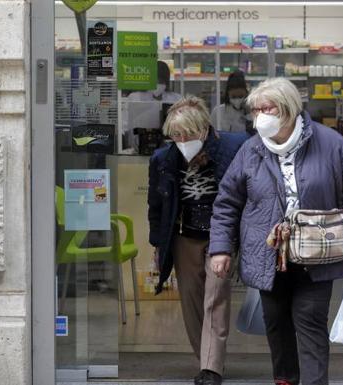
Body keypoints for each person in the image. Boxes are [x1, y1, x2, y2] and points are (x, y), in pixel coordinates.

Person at [208, 78, 343, 385]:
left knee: (310, 322)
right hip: (267, 253)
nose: (259, 116)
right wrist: (221, 248)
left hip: (318, 252)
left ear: (289, 109)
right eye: (256, 110)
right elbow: (227, 203)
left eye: (267, 108)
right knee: (276, 324)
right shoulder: (250, 150)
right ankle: (286, 380)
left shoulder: (330, 144)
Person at [148, 96, 247, 385]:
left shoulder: (233, 148)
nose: (182, 140)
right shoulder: (163, 159)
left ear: (204, 128)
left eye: (188, 134)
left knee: (215, 297)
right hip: (183, 235)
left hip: (221, 234)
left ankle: (212, 368)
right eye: (176, 135)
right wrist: (157, 244)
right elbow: (156, 205)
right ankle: (205, 361)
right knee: (191, 300)